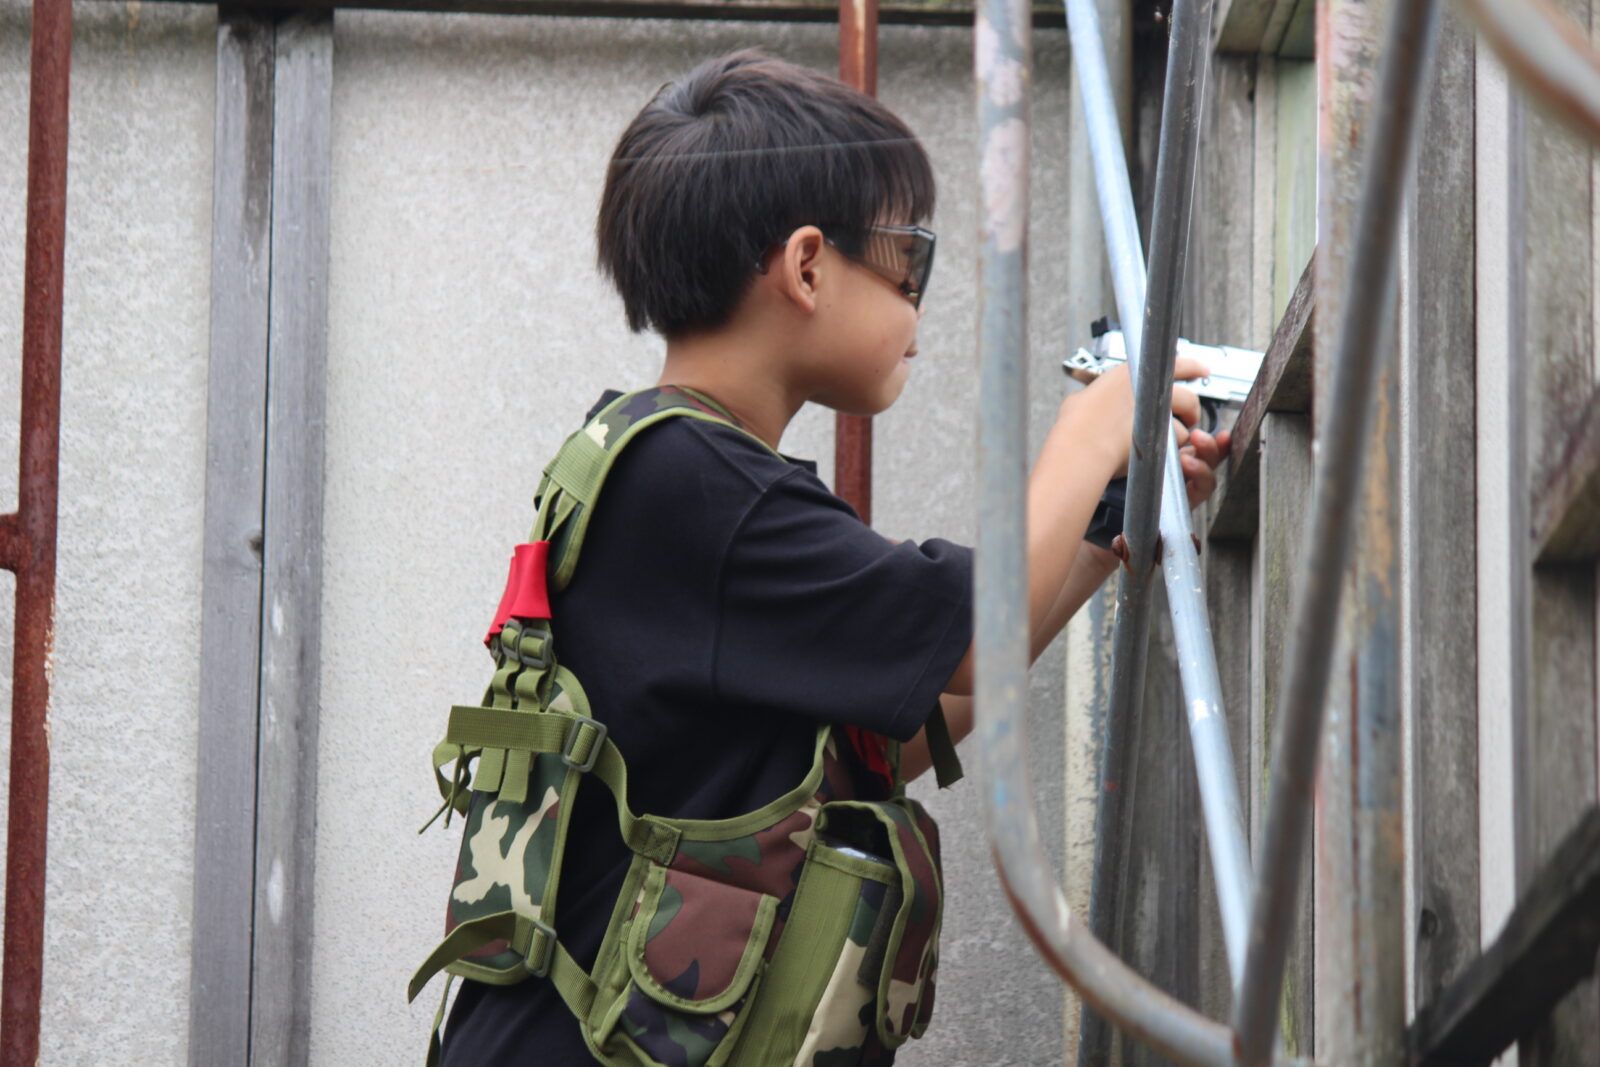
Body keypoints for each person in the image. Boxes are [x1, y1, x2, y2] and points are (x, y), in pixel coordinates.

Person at [436, 48, 1229, 1065]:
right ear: (808, 265)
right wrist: (1094, 426)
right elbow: (970, 638)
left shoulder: (675, 471)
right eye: (908, 260)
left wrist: (1095, 531)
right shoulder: (696, 486)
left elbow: (895, 735)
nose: (918, 306)